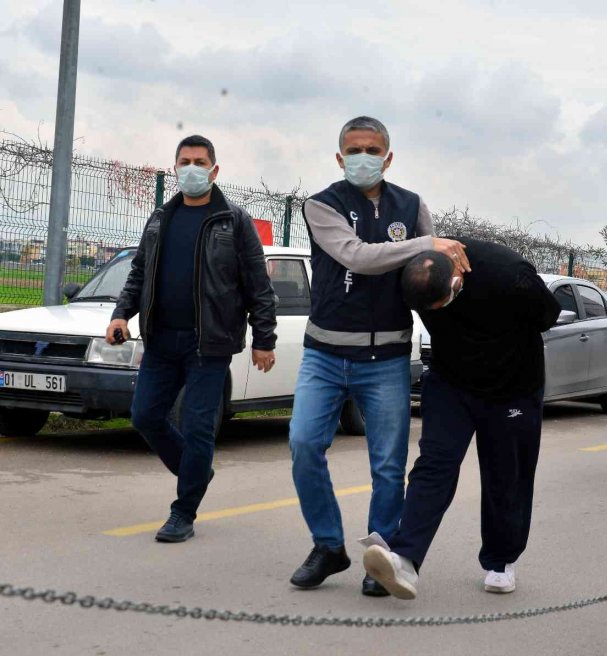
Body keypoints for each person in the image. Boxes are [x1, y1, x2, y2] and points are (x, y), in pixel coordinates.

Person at [287, 117, 470, 597]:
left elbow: (429, 272)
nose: (362, 157)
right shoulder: (321, 204)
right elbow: (357, 256)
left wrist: (449, 281)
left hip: (387, 357)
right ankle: (328, 545)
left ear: (388, 157)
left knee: (387, 465)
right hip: (324, 354)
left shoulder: (412, 206)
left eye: (372, 149)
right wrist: (429, 242)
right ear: (338, 156)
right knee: (304, 444)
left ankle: (381, 558)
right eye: (353, 149)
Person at [361, 240, 561, 600]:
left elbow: (548, 315)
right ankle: (405, 559)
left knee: (507, 475)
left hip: (512, 386)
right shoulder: (414, 275)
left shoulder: (510, 275)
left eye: (441, 305)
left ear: (457, 281)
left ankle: (500, 562)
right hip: (452, 382)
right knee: (434, 465)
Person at [107, 135, 277, 543]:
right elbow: (139, 274)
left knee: (199, 426)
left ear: (214, 170)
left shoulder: (234, 222)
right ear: (175, 167)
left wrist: (264, 339)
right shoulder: (161, 219)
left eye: (200, 161)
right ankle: (196, 469)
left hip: (210, 344)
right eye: (184, 161)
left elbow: (258, 286)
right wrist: (119, 314)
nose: (192, 168)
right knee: (145, 416)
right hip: (161, 341)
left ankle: (183, 511)